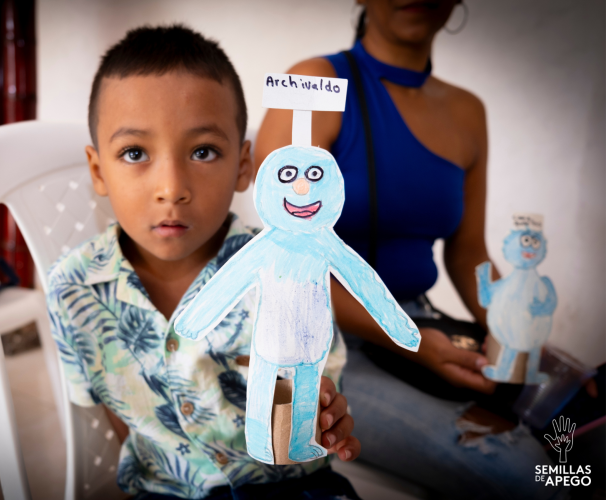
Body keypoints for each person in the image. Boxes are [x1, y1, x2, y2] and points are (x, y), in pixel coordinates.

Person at [255, 1, 568, 498]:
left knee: (574, 419)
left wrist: (514, 328)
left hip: (422, 327)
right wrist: (413, 342)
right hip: (322, 343)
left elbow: (468, 254)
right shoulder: (316, 82)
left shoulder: (468, 111)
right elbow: (284, 260)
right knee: (531, 472)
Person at [47, 25, 362, 500]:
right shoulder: (73, 288)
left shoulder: (286, 273)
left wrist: (325, 413)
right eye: (135, 153)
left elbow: (315, 393)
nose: (171, 187)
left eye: (203, 151)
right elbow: (117, 414)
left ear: (243, 166)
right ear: (98, 170)